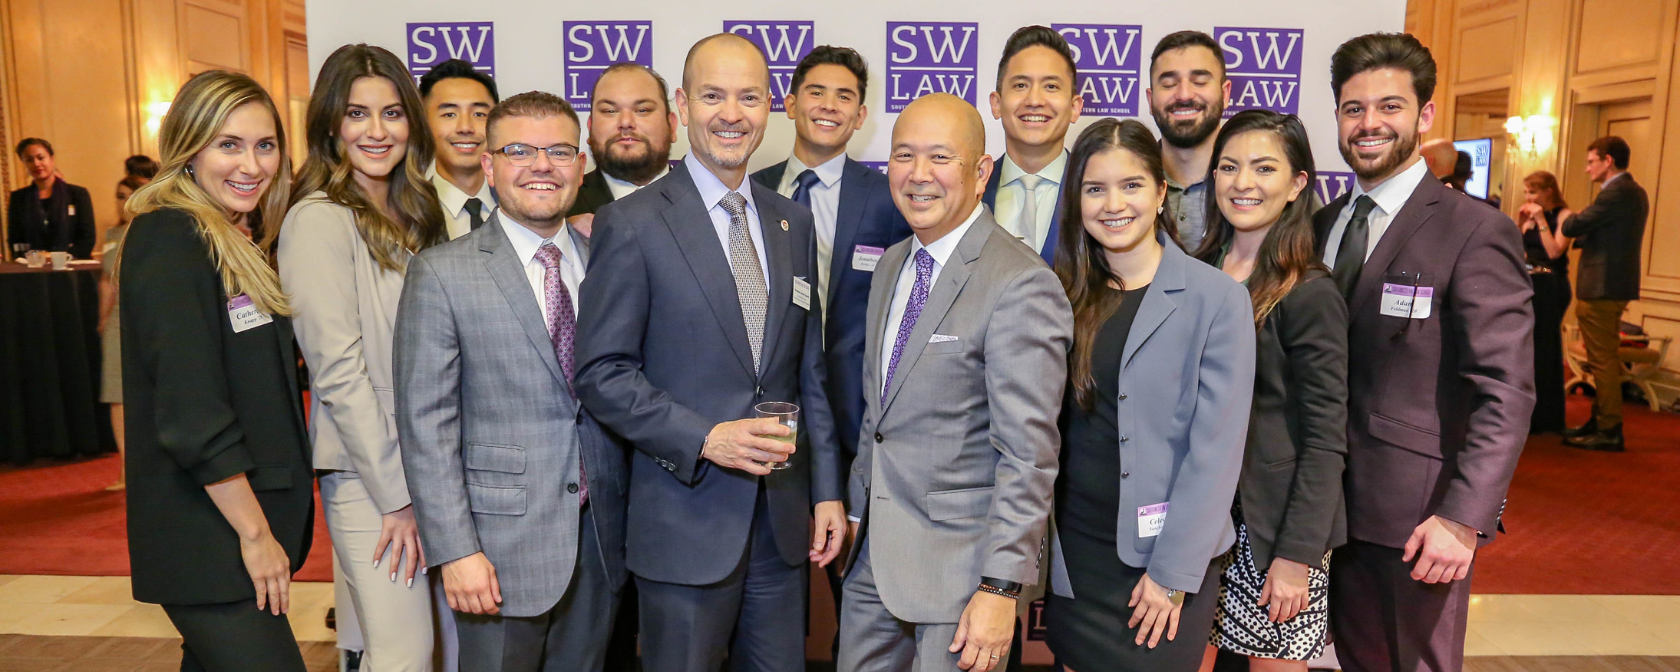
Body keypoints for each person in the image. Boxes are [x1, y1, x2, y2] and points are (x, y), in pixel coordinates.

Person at [574, 33, 844, 672]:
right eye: (713, 95)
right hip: (684, 523)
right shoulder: (633, 222)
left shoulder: (791, 222)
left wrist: (827, 491)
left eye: (748, 97)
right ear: (682, 106)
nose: (731, 113)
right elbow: (602, 373)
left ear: (769, 107)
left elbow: (807, 369)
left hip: (780, 530)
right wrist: (704, 438)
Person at [1317, 34, 1533, 672]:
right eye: (1353, 109)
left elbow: (1507, 389)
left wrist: (1463, 515)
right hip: (1325, 513)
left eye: (1389, 106)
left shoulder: (1474, 230)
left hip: (1418, 521)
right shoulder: (1322, 224)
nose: (1369, 123)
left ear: (1425, 115)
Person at [835, 93, 1071, 672]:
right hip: (871, 562)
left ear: (981, 171)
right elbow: (879, 411)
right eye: (903, 155)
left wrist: (1000, 587)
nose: (918, 175)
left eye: (940, 157)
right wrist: (858, 511)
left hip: (963, 575)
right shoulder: (892, 263)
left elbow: (1029, 455)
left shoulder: (1020, 283)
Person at [396, 90, 628, 671]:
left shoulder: (609, 260)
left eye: (559, 151)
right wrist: (457, 551)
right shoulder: (442, 273)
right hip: (497, 551)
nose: (542, 165)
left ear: (581, 165)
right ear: (491, 166)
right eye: (521, 150)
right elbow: (426, 426)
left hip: (601, 540)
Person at [1042, 117, 1256, 672]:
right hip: (1076, 553)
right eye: (1095, 189)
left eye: (1131, 185)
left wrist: (1171, 574)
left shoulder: (1217, 299)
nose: (1114, 204)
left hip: (1165, 562)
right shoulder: (1058, 294)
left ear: (1162, 192)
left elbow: (1216, 455)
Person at [118, 69, 311, 672]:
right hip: (208, 536)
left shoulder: (233, 237)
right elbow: (191, 415)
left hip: (229, 528)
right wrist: (255, 538)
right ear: (188, 147)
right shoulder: (172, 236)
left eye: (265, 144)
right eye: (228, 144)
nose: (251, 164)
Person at [272, 43, 449, 672]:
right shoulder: (317, 220)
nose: (377, 131)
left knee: (425, 654)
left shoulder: (419, 212)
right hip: (371, 479)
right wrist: (397, 498)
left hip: (431, 468)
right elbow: (338, 373)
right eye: (357, 114)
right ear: (329, 125)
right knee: (403, 655)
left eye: (393, 113)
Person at [1190, 110, 1348, 672]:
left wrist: (1296, 556)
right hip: (1195, 525)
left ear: (1298, 183)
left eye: (1263, 168)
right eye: (1228, 167)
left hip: (1272, 530)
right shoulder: (1195, 271)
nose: (1242, 183)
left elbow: (1326, 439)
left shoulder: (1309, 292)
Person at [1559, 136, 1648, 452]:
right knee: (1603, 358)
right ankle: (1600, 422)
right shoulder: (1631, 192)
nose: (1586, 169)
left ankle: (1609, 429)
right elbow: (1600, 231)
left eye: (1591, 161)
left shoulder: (1616, 193)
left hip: (1602, 286)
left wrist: (1570, 217)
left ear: (1608, 160)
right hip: (1612, 284)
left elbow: (1573, 226)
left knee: (1602, 361)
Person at [982, 26, 1081, 263]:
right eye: (1020, 85)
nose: (1035, 101)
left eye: (1051, 87)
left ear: (1075, 107)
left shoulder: (1095, 193)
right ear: (996, 104)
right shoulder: (968, 194)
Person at [567, 62, 678, 234]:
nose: (626, 122)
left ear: (671, 126)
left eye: (642, 110)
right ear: (590, 127)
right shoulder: (562, 212)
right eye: (610, 111)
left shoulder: (708, 204)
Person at [1148, 31, 1231, 251]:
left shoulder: (1259, 185)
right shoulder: (1127, 182)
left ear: (1226, 93)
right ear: (1150, 99)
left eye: (1200, 82)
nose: (1184, 95)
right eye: (1168, 84)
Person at [99, 164, 153, 492]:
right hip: (117, 320)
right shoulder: (111, 235)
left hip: (146, 317)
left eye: (129, 195)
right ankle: (125, 468)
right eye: (119, 196)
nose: (123, 201)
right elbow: (107, 281)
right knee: (116, 397)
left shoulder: (153, 229)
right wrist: (101, 318)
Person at [1516, 171, 1574, 434]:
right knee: (1529, 349)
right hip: (1530, 284)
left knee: (1546, 348)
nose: (1529, 197)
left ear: (1549, 191)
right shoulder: (1528, 217)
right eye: (1527, 192)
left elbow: (1553, 251)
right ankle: (1528, 413)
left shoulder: (1565, 216)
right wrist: (1519, 224)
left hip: (1553, 285)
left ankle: (1547, 417)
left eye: (1534, 192)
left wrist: (1540, 220)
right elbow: (1517, 252)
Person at [421, 58, 500, 240]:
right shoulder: (404, 211)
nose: (465, 127)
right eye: (449, 114)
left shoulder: (521, 206)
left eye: (479, 114)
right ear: (422, 123)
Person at [8, 138, 96, 259]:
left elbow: (87, 239)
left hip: (72, 268)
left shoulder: (77, 194)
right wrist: (36, 257)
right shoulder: (18, 198)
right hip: (33, 269)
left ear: (51, 159)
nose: (36, 164)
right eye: (29, 160)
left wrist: (54, 257)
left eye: (40, 158)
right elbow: (15, 241)